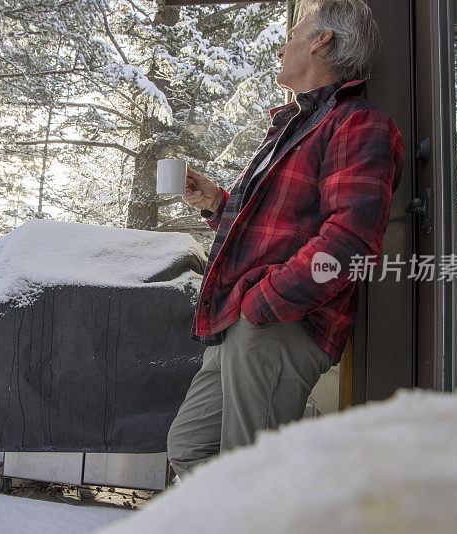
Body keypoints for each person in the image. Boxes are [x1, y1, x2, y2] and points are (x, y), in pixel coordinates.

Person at [166, 0, 405, 478]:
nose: (282, 46)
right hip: (245, 322)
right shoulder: (297, 125)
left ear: (322, 41)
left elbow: (350, 243)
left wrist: (262, 304)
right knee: (190, 448)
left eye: (296, 32)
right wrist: (216, 201)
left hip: (278, 324)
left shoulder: (358, 124)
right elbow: (274, 229)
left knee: (250, 477)